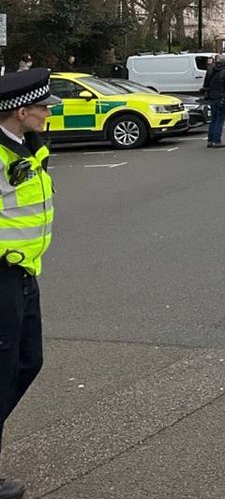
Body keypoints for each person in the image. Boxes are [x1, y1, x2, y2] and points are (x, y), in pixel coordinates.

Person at [0, 68, 60, 499]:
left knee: (28, 362)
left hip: (24, 273)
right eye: (43, 107)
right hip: (1, 274)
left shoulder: (28, 146)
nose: (48, 114)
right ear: (22, 110)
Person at [202, 55, 225, 148]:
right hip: (222, 98)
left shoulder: (210, 71)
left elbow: (205, 85)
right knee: (220, 120)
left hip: (212, 97)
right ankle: (217, 141)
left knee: (213, 119)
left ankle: (210, 140)